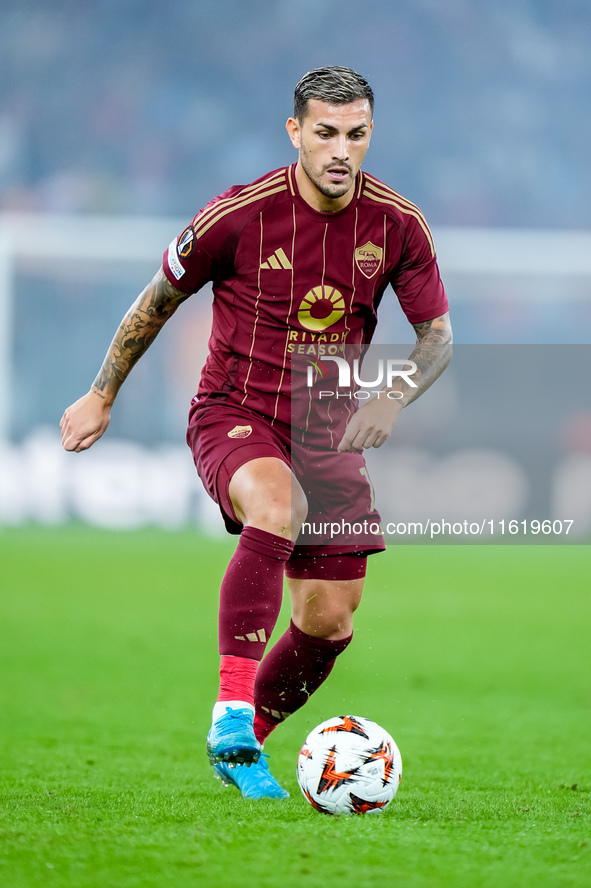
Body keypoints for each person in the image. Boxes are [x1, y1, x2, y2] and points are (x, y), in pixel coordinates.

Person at [60, 66, 452, 800]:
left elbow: (435, 337)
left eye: (356, 135)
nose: (341, 150)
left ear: (371, 135)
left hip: (327, 430)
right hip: (234, 411)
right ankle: (231, 717)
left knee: (329, 622)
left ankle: (247, 751)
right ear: (295, 132)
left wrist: (393, 399)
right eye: (326, 133)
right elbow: (156, 302)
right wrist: (100, 392)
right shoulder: (236, 216)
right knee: (277, 505)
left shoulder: (397, 224)